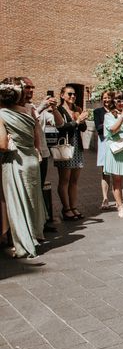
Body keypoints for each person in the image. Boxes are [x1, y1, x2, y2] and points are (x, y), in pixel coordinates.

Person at [0, 78, 47, 258]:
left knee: (17, 202)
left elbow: (3, 144)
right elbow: (36, 137)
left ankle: (24, 244)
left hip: (14, 161)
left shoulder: (2, 114)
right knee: (31, 199)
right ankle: (34, 236)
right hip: (31, 160)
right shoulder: (27, 113)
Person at [22, 77, 56, 232]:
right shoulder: (16, 109)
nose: (30, 91)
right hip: (26, 155)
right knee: (28, 190)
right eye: (27, 87)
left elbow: (58, 123)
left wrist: (54, 109)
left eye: (32, 87)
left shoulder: (32, 107)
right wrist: (41, 107)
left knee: (40, 188)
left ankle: (41, 221)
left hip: (42, 152)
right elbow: (25, 124)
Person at [54, 85, 88, 221]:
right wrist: (77, 120)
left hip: (77, 147)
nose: (73, 96)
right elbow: (62, 127)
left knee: (74, 180)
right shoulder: (59, 110)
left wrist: (82, 119)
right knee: (64, 180)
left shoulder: (77, 109)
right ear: (62, 95)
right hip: (65, 148)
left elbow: (84, 129)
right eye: (69, 94)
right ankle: (66, 208)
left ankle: (73, 207)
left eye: (74, 94)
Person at [94, 90, 113, 210]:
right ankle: (105, 198)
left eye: (109, 98)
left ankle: (117, 198)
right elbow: (98, 128)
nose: (106, 100)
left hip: (116, 142)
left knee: (116, 172)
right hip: (104, 142)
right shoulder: (98, 112)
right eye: (104, 98)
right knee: (105, 172)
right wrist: (110, 122)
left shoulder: (117, 110)